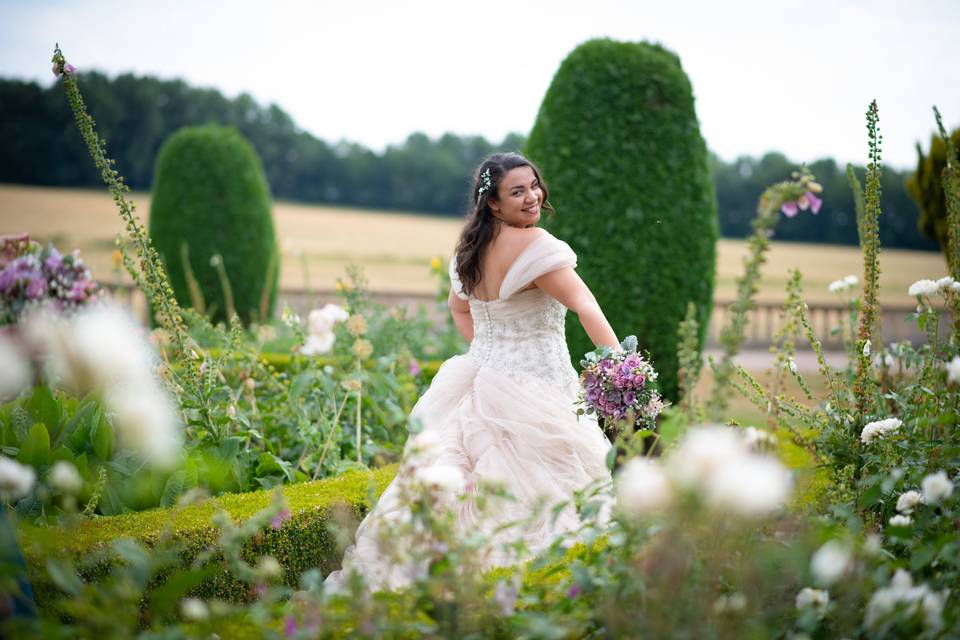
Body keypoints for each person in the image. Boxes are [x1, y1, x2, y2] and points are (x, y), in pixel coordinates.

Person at [324, 152, 620, 592]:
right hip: (537, 388)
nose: (532, 196)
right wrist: (621, 368)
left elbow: (458, 307)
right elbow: (585, 306)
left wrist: (490, 351)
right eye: (517, 191)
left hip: (480, 377)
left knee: (459, 483)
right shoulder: (539, 246)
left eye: (534, 185)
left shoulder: (471, 250)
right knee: (547, 493)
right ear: (494, 204)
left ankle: (435, 581)